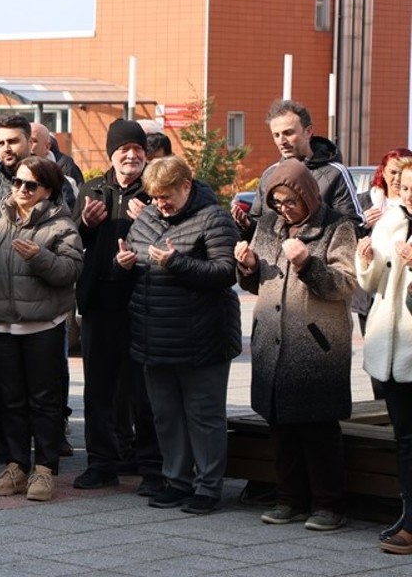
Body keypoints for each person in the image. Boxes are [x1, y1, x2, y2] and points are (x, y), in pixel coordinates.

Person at [234, 159, 356, 532]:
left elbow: (345, 284)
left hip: (317, 345)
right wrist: (249, 266)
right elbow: (257, 285)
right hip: (273, 342)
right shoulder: (269, 225)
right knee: (281, 426)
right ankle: (289, 498)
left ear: (308, 195)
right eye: (277, 203)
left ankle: (328, 505)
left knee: (318, 428)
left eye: (291, 202)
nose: (284, 210)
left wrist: (307, 264)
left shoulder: (337, 226)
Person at [117, 156, 241, 515]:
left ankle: (208, 486)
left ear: (186, 185)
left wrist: (176, 263)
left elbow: (224, 272)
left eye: (166, 195)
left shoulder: (213, 218)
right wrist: (123, 264)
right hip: (154, 336)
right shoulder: (147, 218)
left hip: (202, 337)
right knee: (166, 415)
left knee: (204, 416)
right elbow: (138, 265)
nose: (160, 203)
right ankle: (176, 480)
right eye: (154, 197)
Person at [0, 156, 82, 501]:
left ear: (47, 190)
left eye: (30, 185)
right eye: (17, 182)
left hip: (42, 325)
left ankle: (44, 469)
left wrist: (39, 257)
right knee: (9, 400)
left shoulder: (61, 226)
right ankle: (16, 465)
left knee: (44, 401)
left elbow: (69, 272)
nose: (21, 190)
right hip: (1, 325)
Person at [72, 119, 163, 495]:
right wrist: (85, 225)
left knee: (145, 389)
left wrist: (151, 220)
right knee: (99, 389)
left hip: (143, 301)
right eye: (124, 149)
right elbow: (70, 239)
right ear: (111, 154)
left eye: (138, 150)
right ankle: (101, 463)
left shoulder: (156, 189)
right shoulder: (91, 190)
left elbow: (175, 235)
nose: (131, 155)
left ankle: (152, 468)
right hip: (99, 302)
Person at [356, 156, 412, 554]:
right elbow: (374, 284)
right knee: (405, 438)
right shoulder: (390, 222)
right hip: (390, 347)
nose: (407, 195)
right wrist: (366, 260)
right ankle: (409, 516)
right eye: (403, 188)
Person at [233, 100, 360, 240]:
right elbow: (260, 228)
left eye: (288, 133)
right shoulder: (270, 175)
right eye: (276, 135)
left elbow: (352, 226)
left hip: (316, 259)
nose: (282, 141)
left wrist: (311, 243)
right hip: (273, 260)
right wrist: (246, 225)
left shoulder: (335, 173)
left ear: (308, 131)